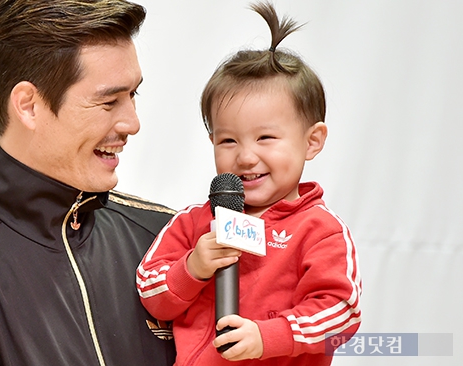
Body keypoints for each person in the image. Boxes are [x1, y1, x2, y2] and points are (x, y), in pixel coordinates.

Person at [0, 0, 176, 365]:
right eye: (108, 101)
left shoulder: (167, 236)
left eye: (133, 95)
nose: (132, 123)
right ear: (28, 106)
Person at [136, 2, 362, 365]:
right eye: (228, 141)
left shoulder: (321, 231)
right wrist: (192, 267)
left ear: (312, 141)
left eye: (266, 138)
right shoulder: (193, 223)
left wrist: (270, 335)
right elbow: (149, 289)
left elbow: (341, 313)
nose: (245, 157)